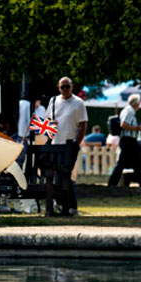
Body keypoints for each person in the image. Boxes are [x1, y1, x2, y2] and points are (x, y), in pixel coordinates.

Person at [47, 77, 88, 214]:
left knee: (64, 174)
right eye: (62, 87)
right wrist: (50, 125)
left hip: (69, 143)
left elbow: (82, 125)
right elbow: (47, 121)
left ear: (72, 87)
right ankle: (66, 204)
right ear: (58, 88)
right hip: (55, 143)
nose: (65, 90)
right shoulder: (53, 101)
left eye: (67, 87)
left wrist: (76, 143)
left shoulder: (78, 103)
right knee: (58, 174)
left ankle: (69, 205)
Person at [107, 93, 141, 187]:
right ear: (136, 103)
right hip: (128, 140)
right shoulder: (130, 111)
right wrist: (137, 128)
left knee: (134, 162)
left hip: (127, 140)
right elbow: (124, 124)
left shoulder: (127, 110)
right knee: (130, 162)